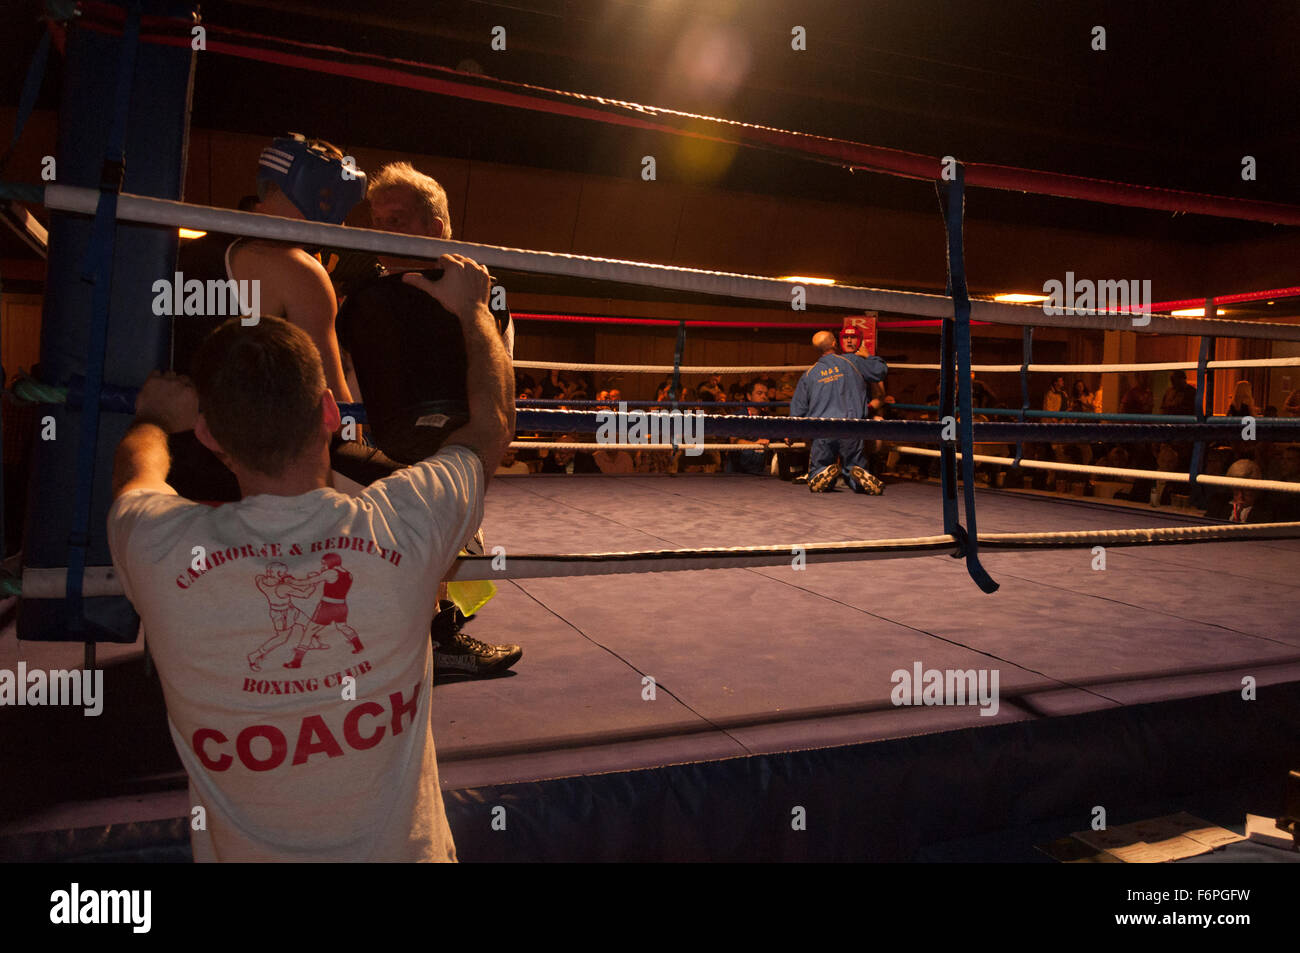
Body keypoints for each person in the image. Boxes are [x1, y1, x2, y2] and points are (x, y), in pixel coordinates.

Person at [106, 261, 513, 860]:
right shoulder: (402, 520)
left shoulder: (158, 545)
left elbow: (135, 472)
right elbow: (492, 428)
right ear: (328, 413)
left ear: (212, 437)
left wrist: (153, 419)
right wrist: (475, 310)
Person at [342, 160, 522, 678]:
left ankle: (433, 634)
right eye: (376, 220)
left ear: (436, 227)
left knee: (451, 517)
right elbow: (341, 382)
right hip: (366, 444)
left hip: (452, 446)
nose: (381, 231)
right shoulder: (358, 293)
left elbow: (498, 383)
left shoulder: (484, 294)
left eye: (396, 219)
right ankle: (416, 635)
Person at [790, 330, 888, 493]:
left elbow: (798, 408)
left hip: (822, 429)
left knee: (819, 467)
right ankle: (858, 476)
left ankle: (821, 474)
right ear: (835, 343)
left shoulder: (809, 374)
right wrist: (868, 356)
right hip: (851, 426)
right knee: (854, 463)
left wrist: (791, 432)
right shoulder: (852, 361)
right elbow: (880, 370)